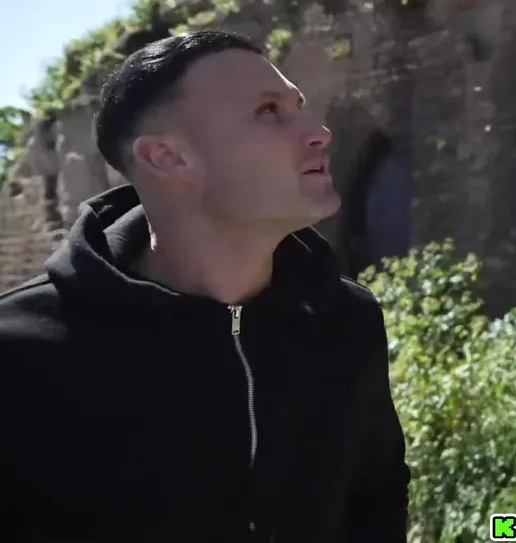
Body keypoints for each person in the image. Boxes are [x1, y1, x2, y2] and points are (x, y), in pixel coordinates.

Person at [0, 30, 409, 541]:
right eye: (269, 111)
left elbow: (376, 500)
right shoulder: (19, 354)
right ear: (167, 157)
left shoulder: (345, 320)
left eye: (298, 107)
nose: (319, 132)